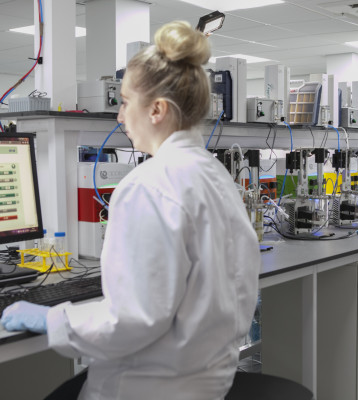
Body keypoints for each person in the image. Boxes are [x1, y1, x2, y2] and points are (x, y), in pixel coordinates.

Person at [1, 21, 261, 400]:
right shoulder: (216, 176)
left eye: (124, 102)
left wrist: (53, 318)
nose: (120, 116)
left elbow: (130, 324)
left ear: (156, 109)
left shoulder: (148, 186)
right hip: (207, 382)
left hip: (146, 388)